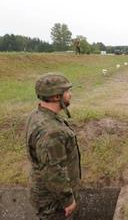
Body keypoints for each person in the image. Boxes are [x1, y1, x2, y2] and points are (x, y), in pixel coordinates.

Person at [25, 72, 81, 220]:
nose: (70, 95)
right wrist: (68, 200)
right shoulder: (52, 132)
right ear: (56, 97)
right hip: (54, 202)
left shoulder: (36, 115)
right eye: (67, 91)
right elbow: (53, 171)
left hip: (44, 193)